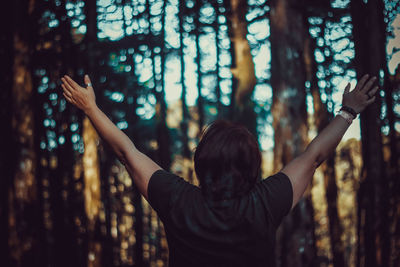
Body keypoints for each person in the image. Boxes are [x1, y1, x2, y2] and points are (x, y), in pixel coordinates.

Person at [61, 74, 378, 267]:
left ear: (201, 163)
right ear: (252, 165)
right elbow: (313, 157)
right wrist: (349, 111)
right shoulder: (266, 203)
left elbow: (126, 152)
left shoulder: (177, 200)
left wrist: (91, 109)